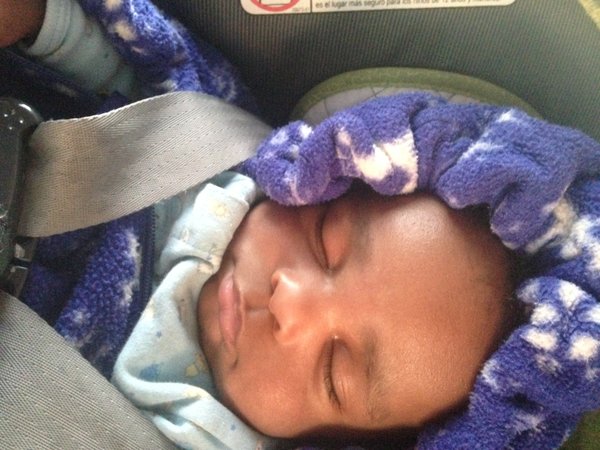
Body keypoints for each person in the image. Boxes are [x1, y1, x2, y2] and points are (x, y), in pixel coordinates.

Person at [2, 1, 599, 449]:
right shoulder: (215, 142)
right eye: (324, 240)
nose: (291, 299)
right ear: (329, 179)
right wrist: (40, 23)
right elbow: (118, 58)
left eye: (335, 372)